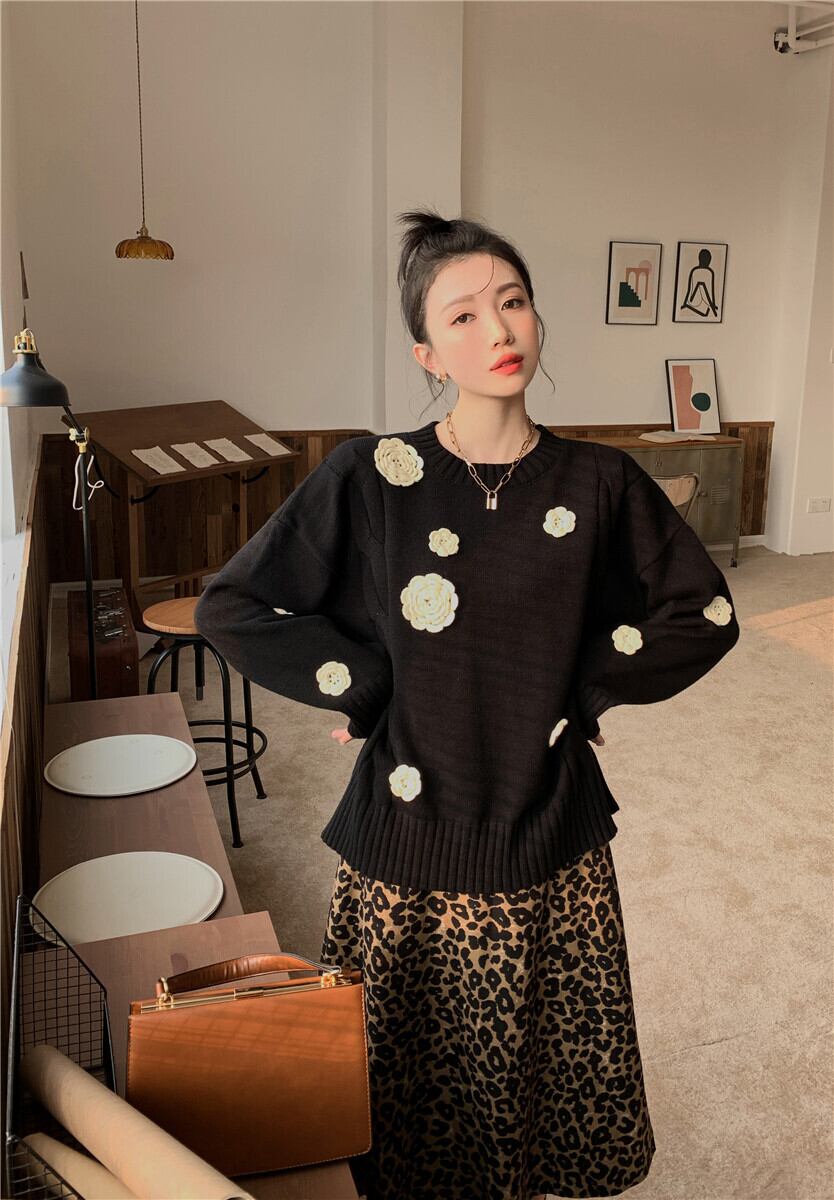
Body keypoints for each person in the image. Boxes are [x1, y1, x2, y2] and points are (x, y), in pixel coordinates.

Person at [194, 208, 740, 1200]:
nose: (499, 329)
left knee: (529, 1106)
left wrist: (585, 681)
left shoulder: (602, 482)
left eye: (514, 301)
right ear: (427, 352)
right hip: (408, 839)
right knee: (403, 1110)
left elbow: (703, 613)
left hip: (549, 835)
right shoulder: (371, 475)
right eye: (464, 315)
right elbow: (233, 606)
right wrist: (365, 680)